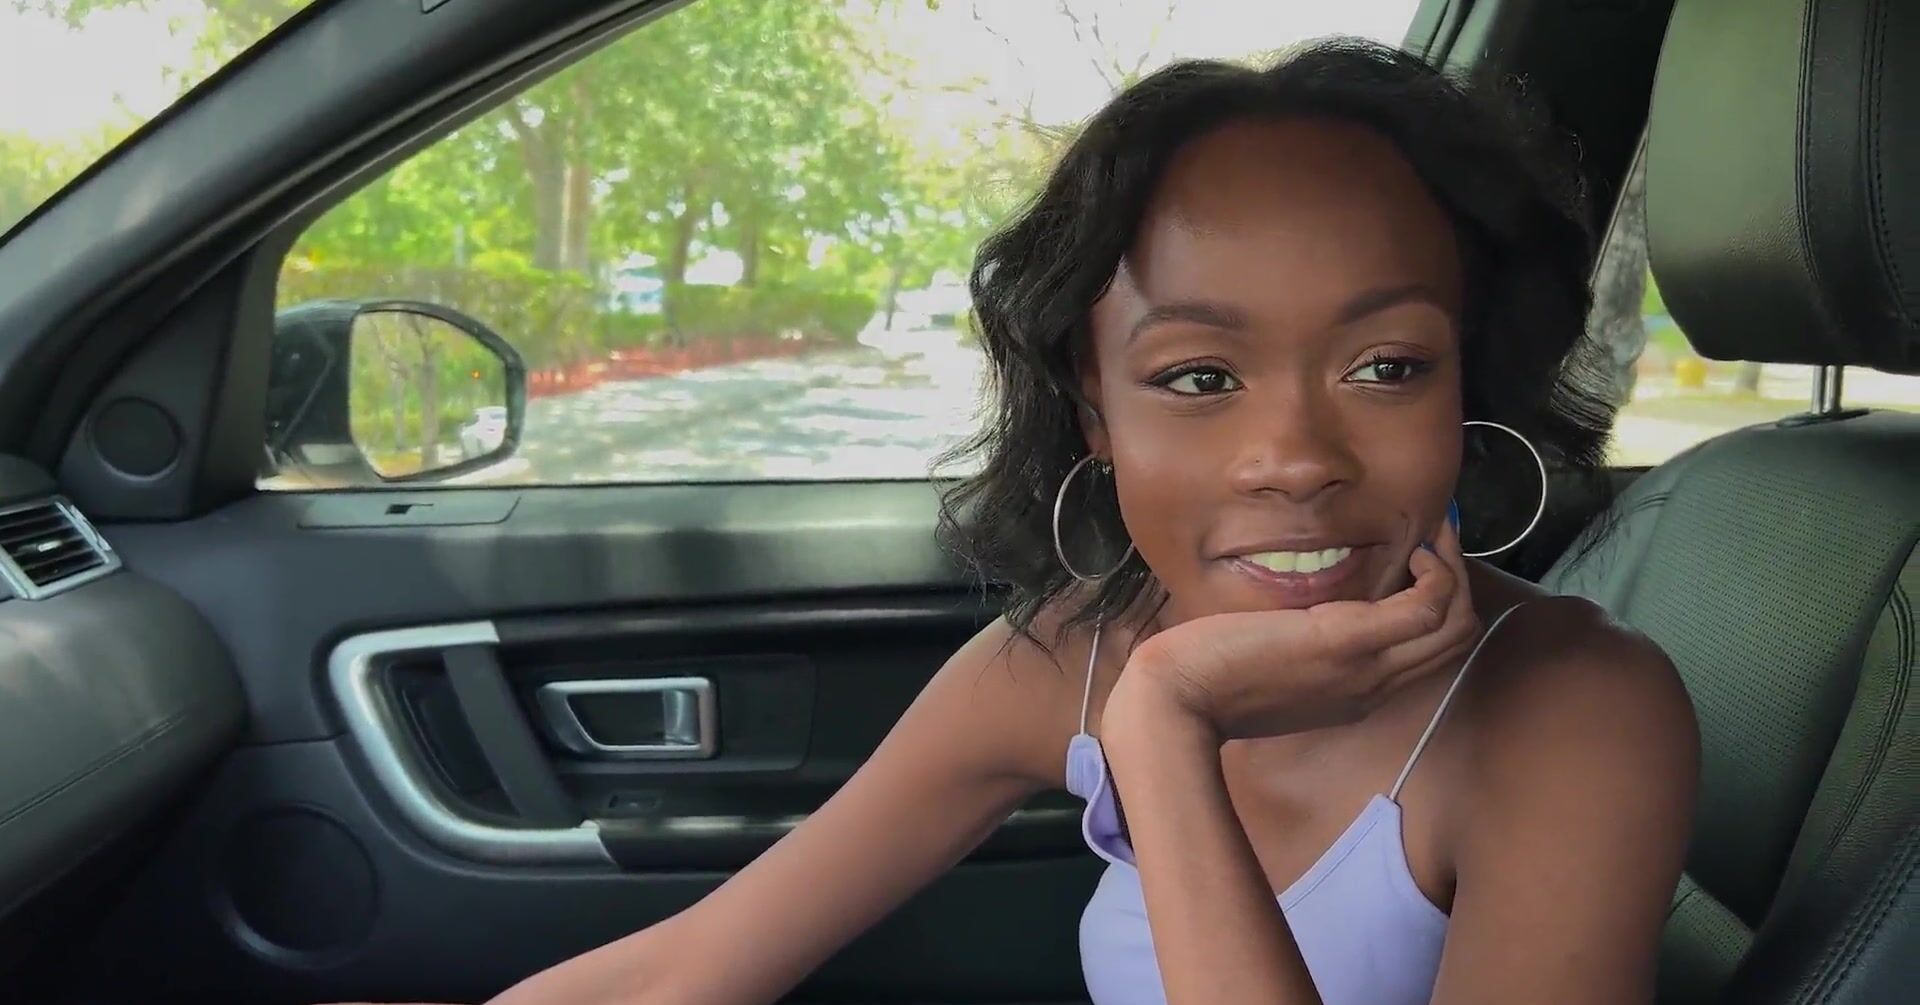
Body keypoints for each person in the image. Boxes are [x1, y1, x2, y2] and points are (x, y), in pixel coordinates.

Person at [488, 38, 1699, 1005]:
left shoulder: (1574, 709)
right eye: (1199, 377)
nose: (1294, 460)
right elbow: (687, 970)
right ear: (1095, 410)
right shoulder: (1069, 656)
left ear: (1465, 386)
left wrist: (1165, 728)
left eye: (1386, 367)